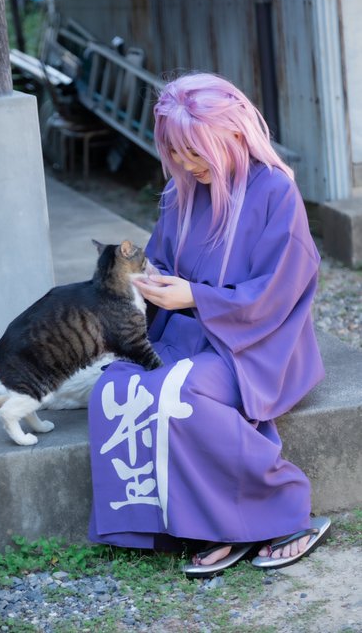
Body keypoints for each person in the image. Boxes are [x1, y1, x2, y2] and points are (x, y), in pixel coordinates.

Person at [87, 72, 331, 576]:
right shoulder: (180, 191)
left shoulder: (275, 191)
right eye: (175, 153)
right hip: (186, 334)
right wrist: (145, 282)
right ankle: (193, 523)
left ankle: (285, 512)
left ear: (235, 133)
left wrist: (195, 296)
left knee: (182, 393)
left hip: (257, 342)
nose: (185, 164)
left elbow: (278, 291)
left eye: (195, 152)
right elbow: (161, 263)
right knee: (116, 387)